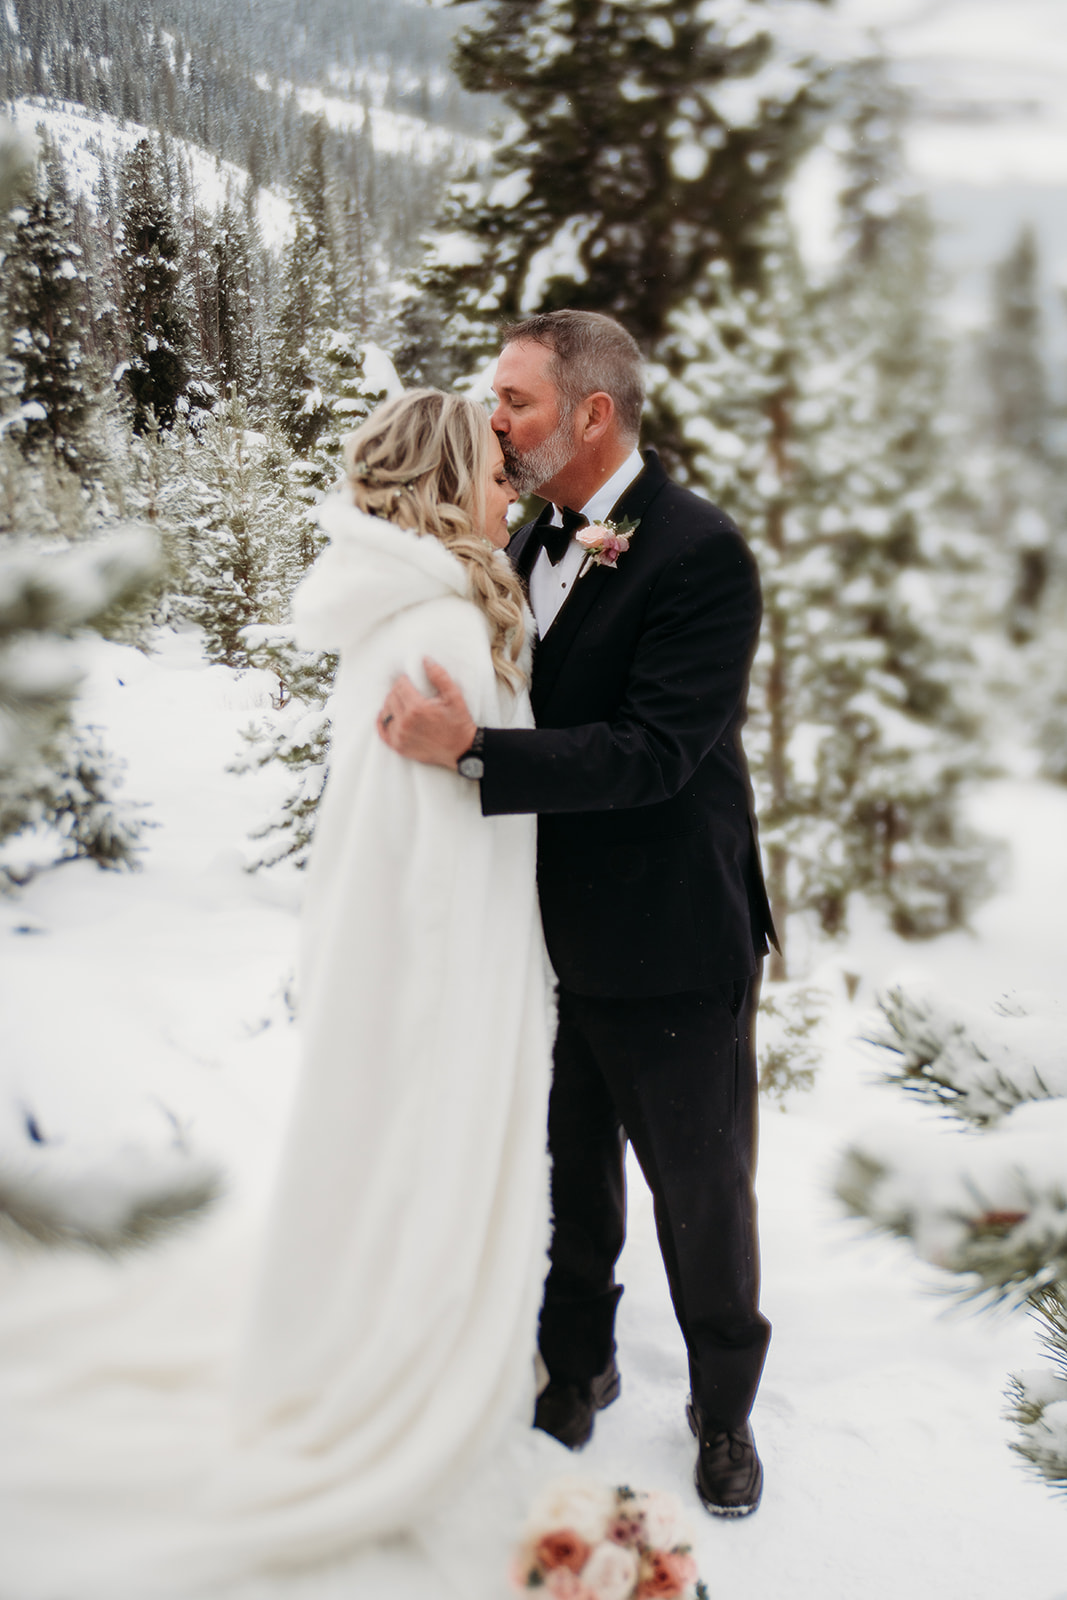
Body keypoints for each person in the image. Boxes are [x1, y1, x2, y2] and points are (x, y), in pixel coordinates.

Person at [0, 390, 562, 1600]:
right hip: (442, 964)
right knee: (427, 1164)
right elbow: (444, 845)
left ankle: (373, 1327)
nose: (509, 486)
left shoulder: (405, 606)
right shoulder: (444, 630)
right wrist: (475, 997)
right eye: (493, 465)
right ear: (443, 477)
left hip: (393, 949)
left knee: (380, 1161)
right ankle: (404, 1370)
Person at [378, 311, 778, 1519]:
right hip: (545, 936)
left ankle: (722, 1409)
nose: (492, 422)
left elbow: (657, 751)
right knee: (570, 1177)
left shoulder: (699, 553)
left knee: (698, 1190)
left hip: (669, 939)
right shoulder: (533, 530)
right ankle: (579, 1362)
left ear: (592, 413)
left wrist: (475, 757)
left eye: (516, 402)